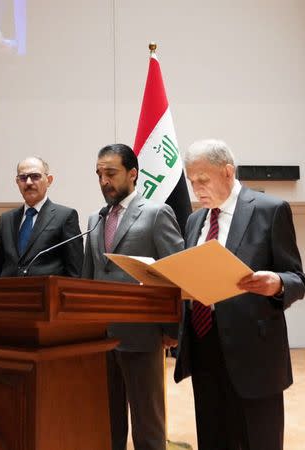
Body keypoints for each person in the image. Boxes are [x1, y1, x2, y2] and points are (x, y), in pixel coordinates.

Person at [173, 139, 305, 450]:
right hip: (204, 344)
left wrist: (277, 282)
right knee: (213, 434)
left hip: (254, 350)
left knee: (258, 438)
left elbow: (297, 278)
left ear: (228, 172)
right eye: (191, 181)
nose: (196, 188)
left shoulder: (269, 210)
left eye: (202, 180)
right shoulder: (195, 220)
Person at [82, 144, 184, 450]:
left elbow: (175, 273)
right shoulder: (95, 219)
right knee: (107, 421)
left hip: (143, 334)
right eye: (99, 174)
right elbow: (89, 277)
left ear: (133, 173)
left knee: (147, 422)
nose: (104, 181)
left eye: (111, 173)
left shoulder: (155, 213)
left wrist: (171, 330)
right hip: (101, 337)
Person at [0, 156, 83, 277]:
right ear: (17, 182)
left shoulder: (65, 216)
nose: (28, 182)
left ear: (49, 180)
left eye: (35, 176)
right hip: (10, 293)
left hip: (47, 292)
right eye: (23, 177)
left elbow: (75, 270)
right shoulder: (6, 219)